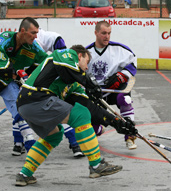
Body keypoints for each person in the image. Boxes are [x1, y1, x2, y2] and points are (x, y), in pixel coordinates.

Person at [15, 45, 137, 186]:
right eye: (86, 62)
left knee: (54, 135)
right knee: (80, 115)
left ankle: (24, 174)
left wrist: (116, 122)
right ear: (79, 56)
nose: (86, 68)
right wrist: (91, 83)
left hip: (26, 106)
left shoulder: (72, 84)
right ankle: (96, 165)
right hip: (37, 97)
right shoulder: (66, 54)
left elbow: (90, 107)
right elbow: (69, 66)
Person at [0, 17, 49, 155]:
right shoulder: (5, 38)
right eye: (33, 33)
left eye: (36, 33)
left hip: (7, 82)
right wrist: (14, 72)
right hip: (4, 77)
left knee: (19, 108)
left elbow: (45, 62)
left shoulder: (33, 47)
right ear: (23, 31)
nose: (36, 36)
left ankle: (28, 142)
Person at [86, 21, 138, 150]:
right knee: (94, 129)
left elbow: (133, 64)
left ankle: (129, 137)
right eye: (103, 33)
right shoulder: (87, 52)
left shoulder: (120, 49)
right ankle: (99, 129)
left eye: (109, 33)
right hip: (97, 93)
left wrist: (122, 75)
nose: (107, 36)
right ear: (96, 33)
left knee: (124, 99)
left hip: (114, 90)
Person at [35, 28, 84, 158]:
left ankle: (75, 143)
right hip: (38, 83)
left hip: (46, 79)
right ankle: (23, 142)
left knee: (62, 113)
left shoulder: (50, 38)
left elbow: (62, 54)